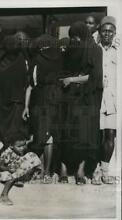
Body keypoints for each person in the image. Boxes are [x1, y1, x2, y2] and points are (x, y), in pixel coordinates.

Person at [59, 22, 103, 184]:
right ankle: (63, 168)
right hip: (70, 98)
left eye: (76, 36)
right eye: (72, 37)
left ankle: (80, 170)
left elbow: (95, 77)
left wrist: (72, 79)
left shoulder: (95, 50)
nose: (74, 40)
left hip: (87, 99)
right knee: (68, 133)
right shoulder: (73, 50)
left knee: (84, 134)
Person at [22, 34, 64, 183]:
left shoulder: (36, 61)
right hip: (52, 101)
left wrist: (27, 106)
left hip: (42, 101)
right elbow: (30, 86)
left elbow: (30, 86)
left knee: (45, 135)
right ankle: (45, 171)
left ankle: (45, 171)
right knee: (47, 136)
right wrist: (26, 106)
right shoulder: (60, 59)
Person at [0, 132, 41, 205]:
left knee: (32, 155)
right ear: (12, 146)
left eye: (24, 145)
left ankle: (17, 179)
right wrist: (8, 169)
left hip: (19, 174)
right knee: (2, 169)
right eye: (19, 146)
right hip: (8, 174)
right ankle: (3, 195)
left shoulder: (25, 151)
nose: (22, 148)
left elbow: (30, 162)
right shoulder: (7, 153)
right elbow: (1, 166)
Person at [92, 16, 117, 185]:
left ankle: (105, 170)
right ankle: (94, 170)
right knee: (95, 136)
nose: (107, 34)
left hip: (113, 100)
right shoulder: (94, 50)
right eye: (104, 31)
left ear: (114, 33)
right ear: (99, 32)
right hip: (96, 98)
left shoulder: (118, 51)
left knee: (110, 134)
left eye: (110, 31)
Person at [0, 35, 28, 146]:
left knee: (2, 133)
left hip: (0, 105)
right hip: (16, 103)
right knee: (14, 133)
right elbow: (25, 82)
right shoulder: (20, 59)